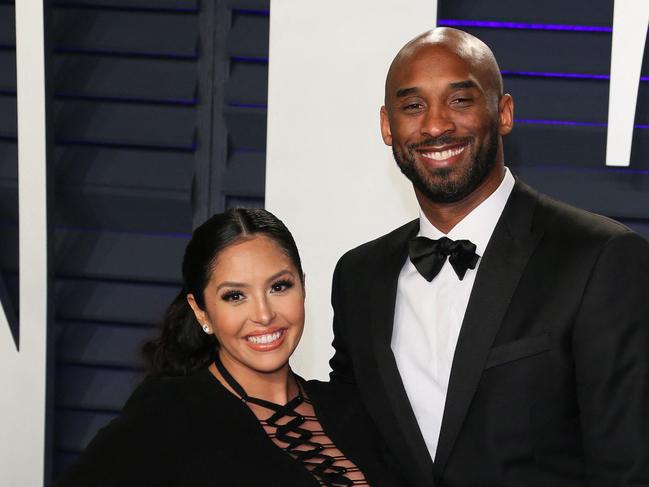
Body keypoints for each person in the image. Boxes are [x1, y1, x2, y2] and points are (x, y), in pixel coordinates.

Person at [329, 27, 649, 487]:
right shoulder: (359, 277)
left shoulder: (598, 259)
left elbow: (628, 468)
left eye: (460, 101)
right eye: (413, 106)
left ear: (503, 112)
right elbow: (347, 446)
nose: (436, 125)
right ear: (387, 125)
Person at [56, 208, 402, 487]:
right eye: (235, 296)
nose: (264, 314)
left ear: (303, 287)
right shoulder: (171, 411)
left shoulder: (351, 406)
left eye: (279, 287)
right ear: (200, 310)